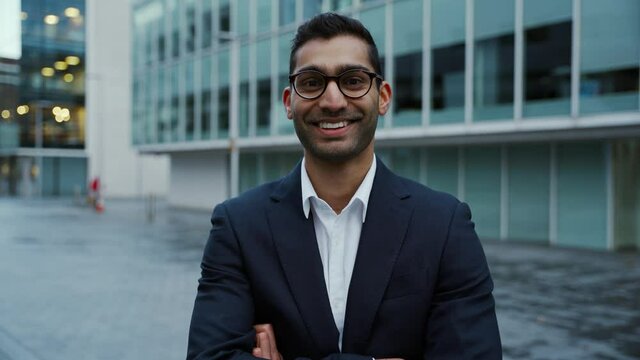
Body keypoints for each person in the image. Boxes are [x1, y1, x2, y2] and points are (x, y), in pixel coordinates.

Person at [187, 12, 501, 360]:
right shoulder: (238, 226)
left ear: (382, 97)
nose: (332, 101)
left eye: (353, 81)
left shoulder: (444, 225)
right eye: (311, 82)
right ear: (289, 102)